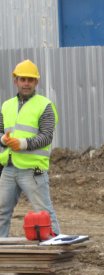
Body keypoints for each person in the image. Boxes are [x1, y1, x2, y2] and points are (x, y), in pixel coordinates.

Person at [0, 59, 60, 237]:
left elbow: (46, 136)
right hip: (9, 168)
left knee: (44, 212)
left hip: (32, 170)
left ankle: (56, 248)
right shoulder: (6, 105)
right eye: (22, 79)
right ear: (15, 81)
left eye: (30, 80)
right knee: (2, 212)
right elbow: (1, 131)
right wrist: (4, 139)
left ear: (36, 82)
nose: (26, 83)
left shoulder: (45, 106)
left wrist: (23, 144)